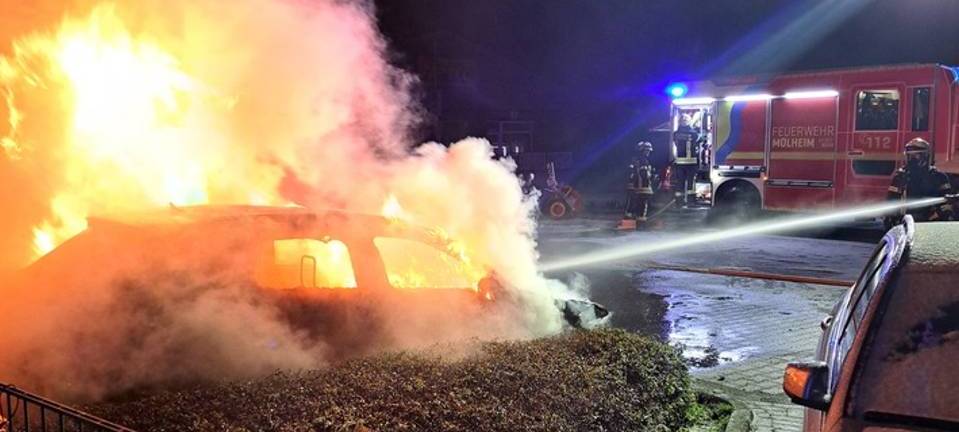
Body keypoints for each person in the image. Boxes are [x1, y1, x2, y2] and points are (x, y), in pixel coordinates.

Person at [885, 138, 954, 228]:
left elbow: (947, 204)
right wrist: (891, 220)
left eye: (916, 155)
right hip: (906, 225)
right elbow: (891, 201)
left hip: (930, 225)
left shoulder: (939, 177)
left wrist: (935, 216)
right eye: (910, 156)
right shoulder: (901, 176)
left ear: (925, 156)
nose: (912, 159)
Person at [619, 142, 655, 230]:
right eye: (647, 150)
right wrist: (651, 177)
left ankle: (631, 219)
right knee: (642, 206)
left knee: (634, 203)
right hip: (643, 186)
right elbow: (644, 173)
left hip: (637, 185)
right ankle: (641, 224)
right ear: (642, 151)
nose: (648, 152)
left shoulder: (635, 160)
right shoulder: (644, 161)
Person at [672, 113, 701, 207]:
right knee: (690, 183)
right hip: (691, 162)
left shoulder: (675, 134)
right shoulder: (694, 133)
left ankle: (679, 202)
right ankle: (691, 201)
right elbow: (699, 140)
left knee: (680, 183)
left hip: (679, 162)